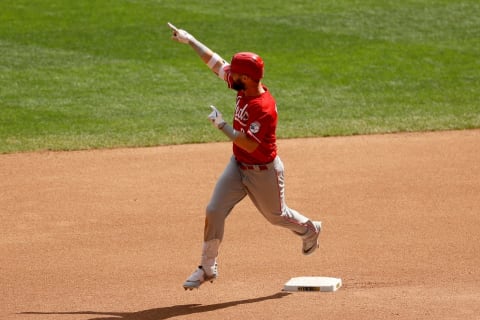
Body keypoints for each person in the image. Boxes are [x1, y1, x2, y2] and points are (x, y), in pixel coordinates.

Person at [167, 23, 322, 290]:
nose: (230, 74)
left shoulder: (264, 108)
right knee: (214, 210)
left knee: (276, 216)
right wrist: (190, 40)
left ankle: (309, 230)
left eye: (236, 73)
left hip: (263, 171)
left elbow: (250, 144)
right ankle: (207, 267)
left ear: (247, 79)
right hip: (238, 166)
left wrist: (221, 125)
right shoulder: (244, 85)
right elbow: (216, 64)